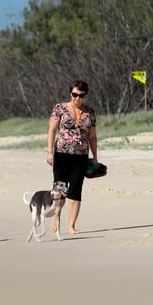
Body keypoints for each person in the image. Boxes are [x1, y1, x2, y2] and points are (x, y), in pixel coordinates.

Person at [47, 80, 98, 235]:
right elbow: (52, 131)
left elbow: (93, 137)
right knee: (60, 189)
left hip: (81, 156)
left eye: (81, 95)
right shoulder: (59, 108)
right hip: (61, 154)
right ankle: (56, 217)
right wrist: (50, 152)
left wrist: (95, 157)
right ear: (71, 93)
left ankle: (71, 225)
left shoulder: (90, 112)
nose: (77, 98)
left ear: (85, 95)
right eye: (74, 94)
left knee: (76, 191)